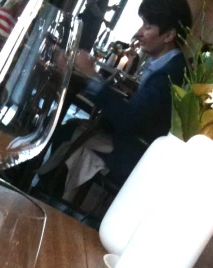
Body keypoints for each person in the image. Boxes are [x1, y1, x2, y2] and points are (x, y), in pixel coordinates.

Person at [37, 0, 192, 199]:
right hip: (134, 141)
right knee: (68, 129)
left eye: (147, 26)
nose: (138, 33)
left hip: (136, 154)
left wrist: (92, 75)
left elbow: (130, 121)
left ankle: (48, 198)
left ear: (169, 35)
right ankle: (46, 191)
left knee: (65, 133)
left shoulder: (171, 73)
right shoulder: (170, 64)